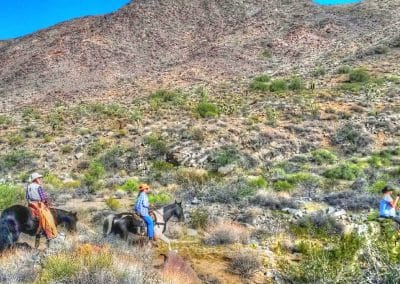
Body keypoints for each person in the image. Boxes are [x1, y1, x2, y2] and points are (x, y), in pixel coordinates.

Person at [26, 173, 58, 244]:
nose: (40, 179)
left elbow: (27, 197)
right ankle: (50, 235)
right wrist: (47, 203)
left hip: (30, 205)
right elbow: (43, 198)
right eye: (39, 178)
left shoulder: (28, 186)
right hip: (39, 205)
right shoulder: (38, 187)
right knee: (48, 218)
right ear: (36, 179)